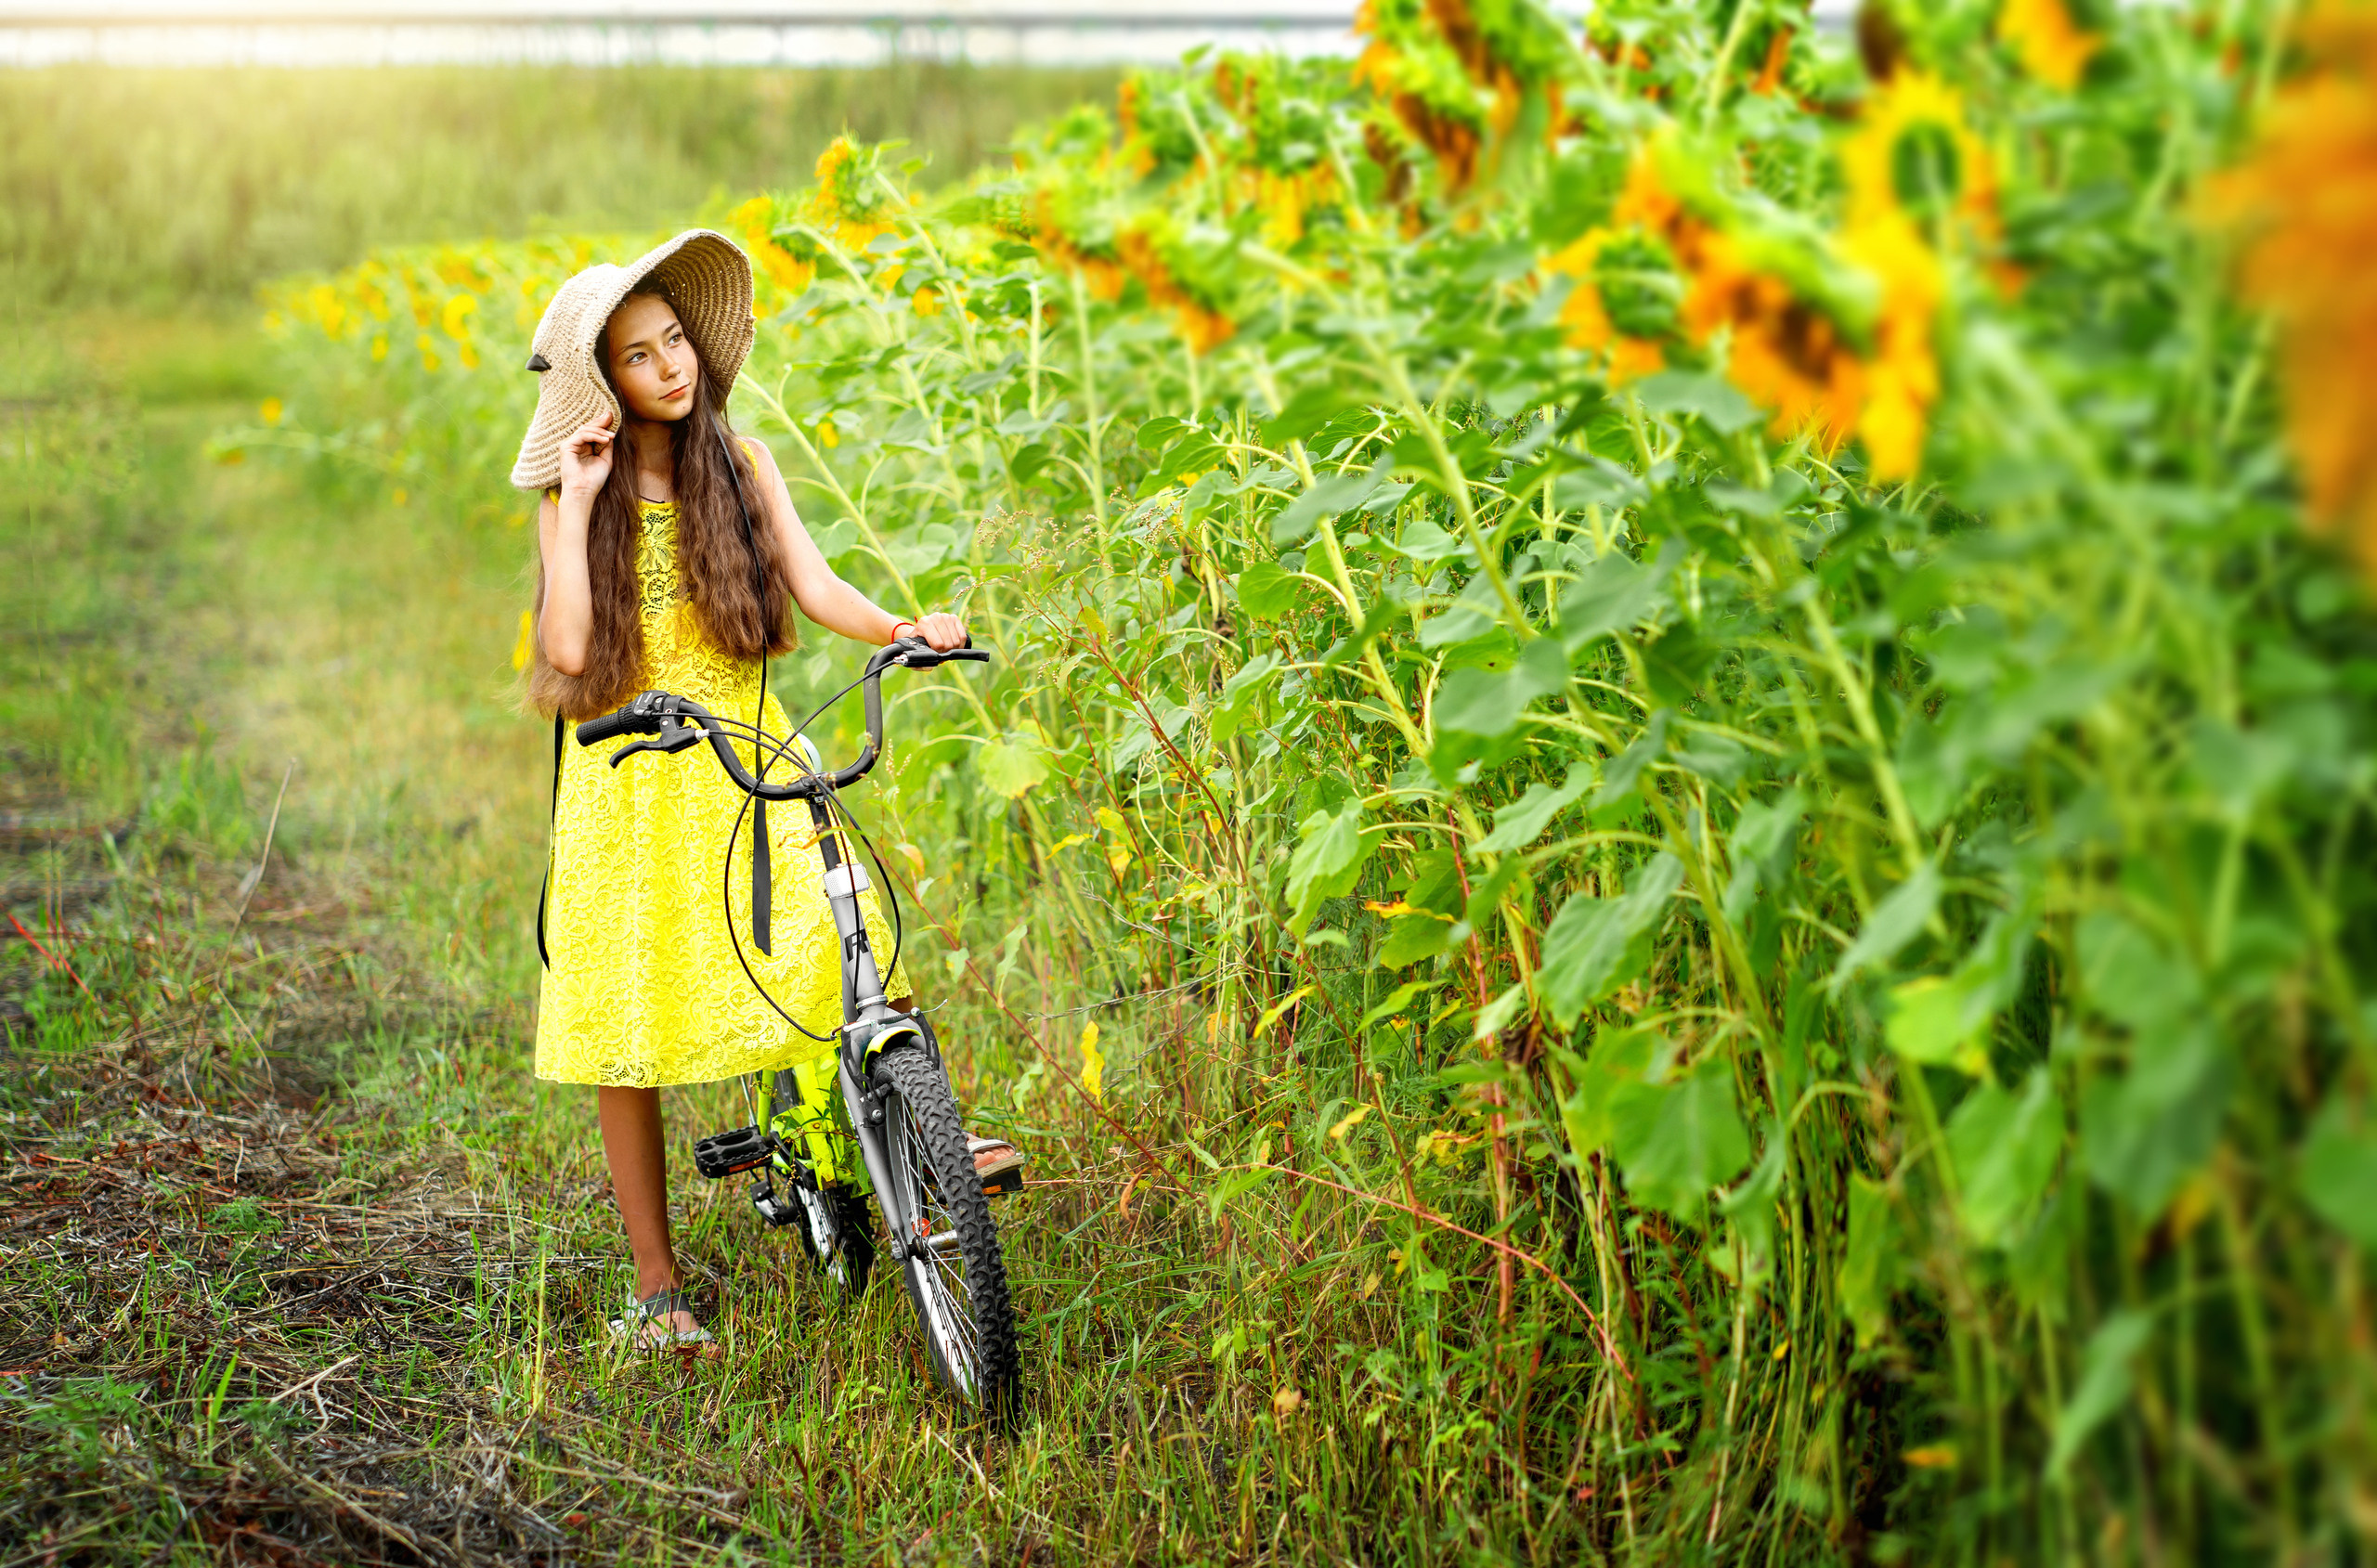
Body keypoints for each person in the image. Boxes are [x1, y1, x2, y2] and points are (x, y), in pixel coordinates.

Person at [511, 230, 1021, 1353]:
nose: (671, 367)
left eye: (675, 341)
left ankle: (914, 1141)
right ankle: (656, 1288)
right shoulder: (569, 493)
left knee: (836, 937)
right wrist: (587, 495)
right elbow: (564, 642)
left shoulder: (740, 466)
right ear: (603, 381)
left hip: (747, 741)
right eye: (639, 356)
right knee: (625, 1023)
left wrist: (903, 627)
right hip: (631, 766)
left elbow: (813, 578)